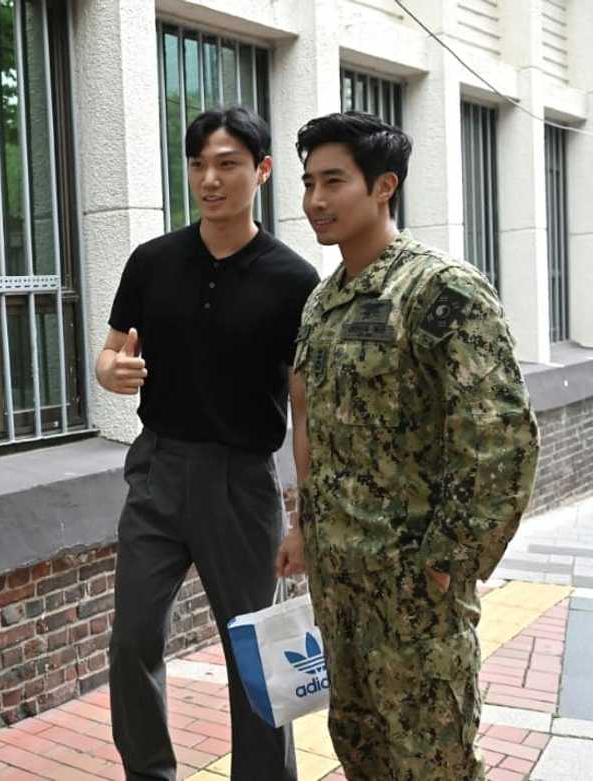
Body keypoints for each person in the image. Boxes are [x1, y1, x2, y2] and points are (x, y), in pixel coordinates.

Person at [277, 111, 540, 780]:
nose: (314, 200)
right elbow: (308, 416)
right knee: (359, 747)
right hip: (339, 585)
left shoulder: (438, 289)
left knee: (433, 758)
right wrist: (304, 526)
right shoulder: (322, 301)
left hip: (414, 591)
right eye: (309, 183)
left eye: (333, 181)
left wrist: (450, 563)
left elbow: (498, 437)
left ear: (383, 185)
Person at [99, 106, 320, 781]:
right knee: (132, 637)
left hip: (242, 481)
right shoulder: (152, 262)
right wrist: (113, 371)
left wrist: (306, 516)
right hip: (158, 471)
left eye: (227, 164)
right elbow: (109, 356)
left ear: (262, 170)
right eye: (198, 164)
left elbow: (306, 412)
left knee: (254, 650)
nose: (210, 179)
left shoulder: (294, 280)